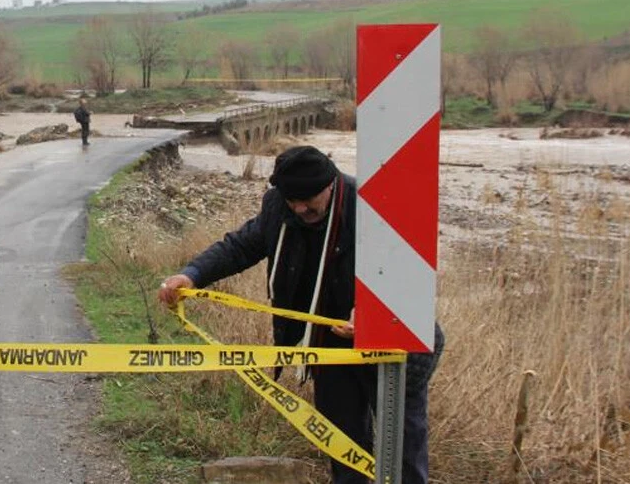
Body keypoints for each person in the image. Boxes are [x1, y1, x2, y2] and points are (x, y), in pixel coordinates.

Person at [157, 145, 444, 484]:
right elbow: (242, 245)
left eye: (308, 200)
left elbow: (410, 272)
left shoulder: (370, 205)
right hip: (328, 348)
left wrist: (373, 310)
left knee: (404, 449)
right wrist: (192, 274)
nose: (300, 208)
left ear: (330, 185)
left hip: (391, 342)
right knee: (343, 443)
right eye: (292, 200)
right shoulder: (279, 206)